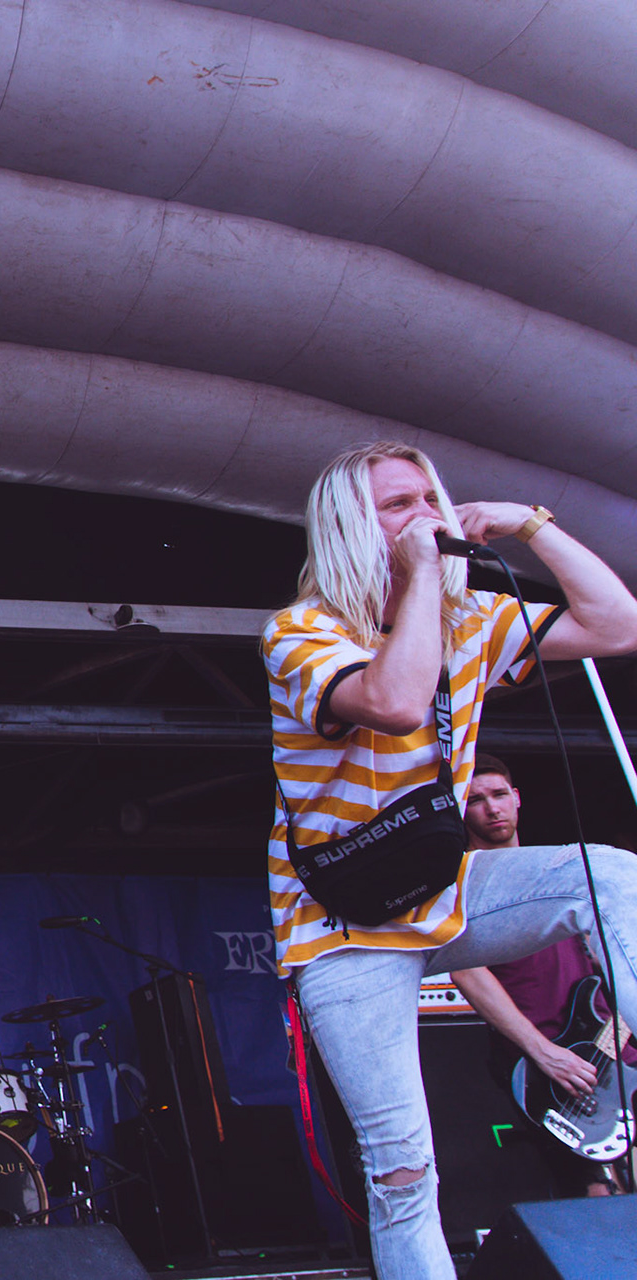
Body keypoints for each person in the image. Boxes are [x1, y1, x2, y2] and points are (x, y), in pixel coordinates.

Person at [262, 441, 637, 1279]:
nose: (424, 515)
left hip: (442, 890)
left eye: (429, 497)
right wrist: (426, 572)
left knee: (610, 873)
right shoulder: (300, 631)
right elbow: (395, 702)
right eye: (398, 504)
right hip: (342, 927)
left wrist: (530, 525)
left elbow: (620, 625)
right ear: (351, 526)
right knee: (404, 1172)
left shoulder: (473, 621)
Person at [449, 754, 628, 1196]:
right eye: (476, 800)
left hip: (607, 1041)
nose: (492, 808)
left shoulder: (556, 868)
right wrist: (543, 1052)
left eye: (499, 795)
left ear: (517, 798)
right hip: (542, 1062)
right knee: (594, 1188)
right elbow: (467, 973)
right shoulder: (461, 885)